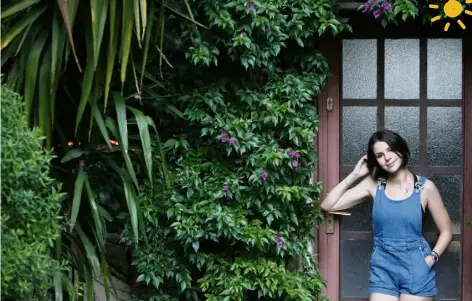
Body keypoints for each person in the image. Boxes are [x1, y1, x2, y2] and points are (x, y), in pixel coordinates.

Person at [320, 130, 452, 301]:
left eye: (390, 150)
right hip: (383, 267)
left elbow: (447, 231)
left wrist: (430, 260)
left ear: (402, 149)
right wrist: (354, 175)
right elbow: (327, 205)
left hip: (416, 265)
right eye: (380, 155)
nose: (387, 157)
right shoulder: (374, 185)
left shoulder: (425, 187)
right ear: (376, 161)